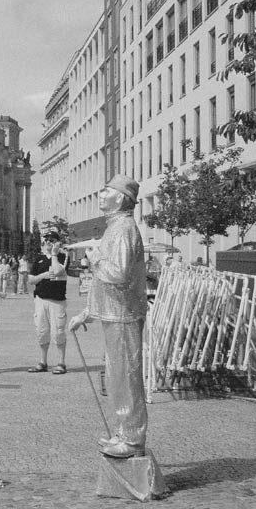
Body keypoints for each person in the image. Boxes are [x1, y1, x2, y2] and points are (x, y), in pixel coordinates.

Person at [69, 174, 149, 459]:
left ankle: (132, 437)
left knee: (126, 377)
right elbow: (104, 283)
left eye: (106, 191)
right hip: (115, 314)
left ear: (120, 197)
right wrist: (87, 313)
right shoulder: (114, 229)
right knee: (117, 377)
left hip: (124, 315)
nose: (100, 195)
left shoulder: (124, 229)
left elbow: (117, 274)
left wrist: (94, 258)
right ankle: (124, 432)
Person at [27, 227, 69, 375]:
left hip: (57, 300)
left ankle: (61, 362)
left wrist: (54, 254)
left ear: (58, 242)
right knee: (41, 331)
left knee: (58, 331)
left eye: (52, 240)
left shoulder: (63, 256)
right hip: (41, 299)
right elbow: (31, 279)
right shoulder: (38, 258)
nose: (49, 242)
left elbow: (58, 271)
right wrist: (44, 275)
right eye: (47, 240)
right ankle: (43, 361)